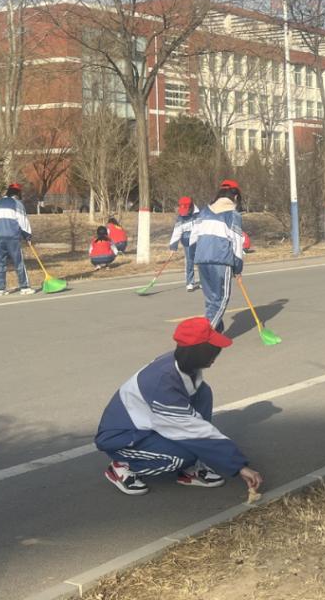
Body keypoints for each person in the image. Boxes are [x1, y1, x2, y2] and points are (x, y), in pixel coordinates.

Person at [95, 316, 264, 496]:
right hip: (123, 438)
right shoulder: (162, 384)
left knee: (202, 393)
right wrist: (239, 466)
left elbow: (192, 426)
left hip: (148, 426)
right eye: (212, 350)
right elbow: (193, 430)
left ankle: (189, 468)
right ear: (197, 352)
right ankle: (122, 466)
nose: (216, 355)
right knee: (183, 456)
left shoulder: (181, 365)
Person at [191, 179, 244, 333]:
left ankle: (216, 329)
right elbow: (237, 244)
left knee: (211, 300)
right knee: (221, 300)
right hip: (221, 261)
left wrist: (197, 256)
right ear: (235, 196)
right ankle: (205, 336)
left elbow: (193, 239)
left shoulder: (203, 212)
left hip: (202, 259)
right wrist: (238, 268)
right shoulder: (233, 215)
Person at [0, 183, 35, 296]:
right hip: (12, 236)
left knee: (0, 263)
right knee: (18, 262)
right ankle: (24, 287)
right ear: (18, 193)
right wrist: (27, 236)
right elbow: (23, 221)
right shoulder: (17, 204)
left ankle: (1, 289)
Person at [169, 196, 200, 291]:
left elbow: (200, 229)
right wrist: (173, 247)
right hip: (186, 242)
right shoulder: (180, 218)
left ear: (191, 207)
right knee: (189, 262)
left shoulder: (198, 215)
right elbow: (177, 231)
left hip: (198, 241)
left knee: (200, 261)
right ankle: (190, 282)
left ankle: (203, 281)